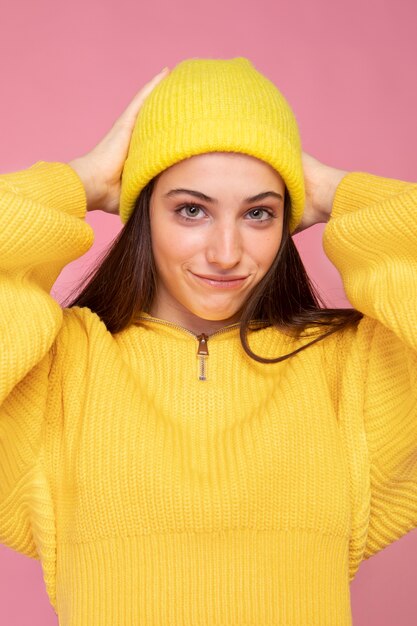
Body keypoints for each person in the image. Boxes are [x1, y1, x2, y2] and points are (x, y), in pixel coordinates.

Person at [0, 57, 416, 626]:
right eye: (191, 210)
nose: (225, 252)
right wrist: (80, 181)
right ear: (144, 214)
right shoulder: (57, 373)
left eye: (259, 213)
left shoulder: (354, 372)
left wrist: (338, 193)